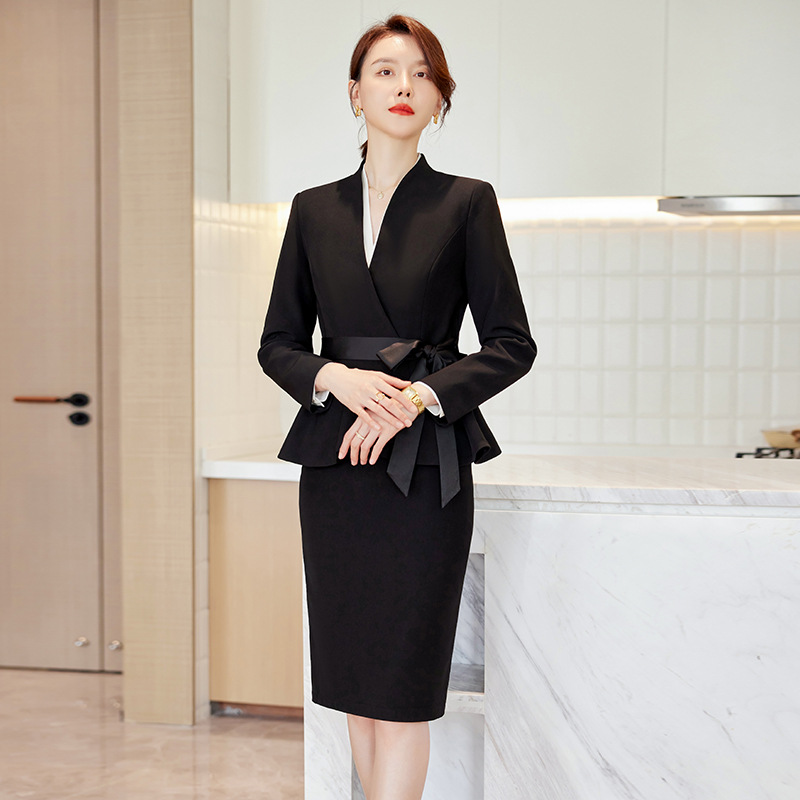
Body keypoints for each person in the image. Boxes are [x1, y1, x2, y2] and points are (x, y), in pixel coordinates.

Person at [257, 14, 536, 800]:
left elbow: (511, 343)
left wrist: (417, 396)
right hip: (336, 468)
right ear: (356, 93)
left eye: (421, 73)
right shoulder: (312, 210)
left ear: (440, 97)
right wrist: (336, 379)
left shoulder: (467, 202)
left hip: (424, 473)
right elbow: (278, 343)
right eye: (384, 71)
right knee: (355, 687)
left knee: (403, 692)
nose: (404, 85)